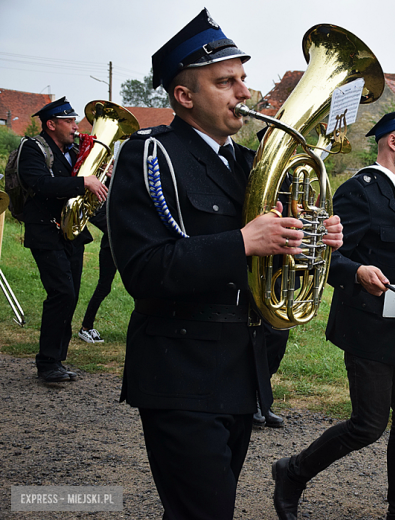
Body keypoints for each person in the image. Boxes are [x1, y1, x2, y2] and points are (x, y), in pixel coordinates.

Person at [106, 9, 342, 519]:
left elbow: (275, 249)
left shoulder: (248, 164)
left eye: (243, 79)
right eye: (226, 82)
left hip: (240, 370)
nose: (244, 93)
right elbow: (145, 270)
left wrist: (318, 241)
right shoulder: (150, 156)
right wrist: (242, 242)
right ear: (184, 96)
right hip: (179, 369)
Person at [272, 104, 395, 520]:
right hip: (366, 325)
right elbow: (323, 255)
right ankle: (292, 473)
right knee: (368, 424)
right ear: (393, 141)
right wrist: (356, 270)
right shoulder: (360, 189)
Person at [19, 97, 107, 382]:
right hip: (45, 232)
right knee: (62, 294)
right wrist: (84, 182)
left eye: (74, 120)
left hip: (72, 233)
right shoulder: (32, 148)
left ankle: (57, 358)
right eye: (69, 122)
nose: (75, 126)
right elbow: (40, 184)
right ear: (51, 124)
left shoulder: (73, 150)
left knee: (70, 296)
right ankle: (47, 363)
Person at [77, 204, 114, 344]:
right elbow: (95, 213)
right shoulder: (108, 188)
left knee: (138, 286)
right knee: (104, 287)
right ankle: (86, 327)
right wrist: (115, 229)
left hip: (131, 247)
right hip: (110, 247)